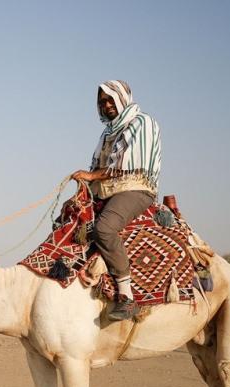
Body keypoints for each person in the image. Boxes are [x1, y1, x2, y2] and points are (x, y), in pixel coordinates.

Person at [71, 80, 162, 321]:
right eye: (102, 102)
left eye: (111, 99)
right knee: (69, 220)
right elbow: (99, 167)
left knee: (104, 229)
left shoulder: (142, 122)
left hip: (135, 188)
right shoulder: (108, 132)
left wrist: (90, 175)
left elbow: (125, 165)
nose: (107, 105)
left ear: (123, 98)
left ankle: (126, 295)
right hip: (105, 190)